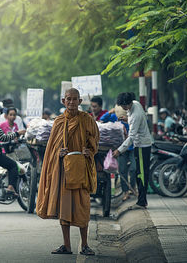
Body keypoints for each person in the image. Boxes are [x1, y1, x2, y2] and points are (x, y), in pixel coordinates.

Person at [36, 88, 99, 256]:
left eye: (75, 99)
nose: (71, 102)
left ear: (80, 101)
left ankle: (84, 245)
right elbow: (51, 149)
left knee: (83, 206)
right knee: (64, 207)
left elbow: (94, 141)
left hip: (80, 168)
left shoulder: (87, 120)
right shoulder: (58, 122)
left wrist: (89, 152)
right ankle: (67, 245)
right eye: (68, 99)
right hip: (64, 170)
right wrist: (59, 153)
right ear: (63, 101)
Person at [113, 92, 152, 209]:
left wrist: (119, 151)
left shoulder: (136, 116)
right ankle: (141, 200)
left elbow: (131, 137)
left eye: (125, 106)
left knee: (141, 174)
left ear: (129, 103)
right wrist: (127, 118)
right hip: (140, 144)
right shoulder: (136, 104)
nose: (124, 109)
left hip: (141, 146)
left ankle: (142, 201)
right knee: (140, 173)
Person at [114, 105, 137, 201]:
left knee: (134, 169)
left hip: (133, 148)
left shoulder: (132, 119)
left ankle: (133, 187)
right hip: (121, 150)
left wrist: (128, 120)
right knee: (122, 171)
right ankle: (125, 192)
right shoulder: (115, 120)